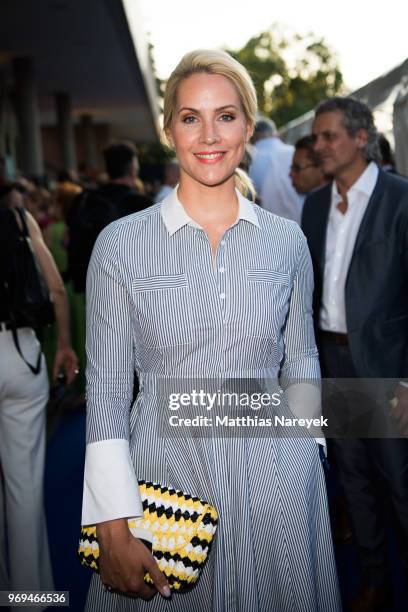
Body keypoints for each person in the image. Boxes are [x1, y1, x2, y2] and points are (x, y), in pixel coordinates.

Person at [82, 49, 341, 612]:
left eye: (225, 116)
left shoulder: (286, 242)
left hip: (278, 481)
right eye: (191, 117)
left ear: (248, 126)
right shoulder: (122, 245)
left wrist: (309, 451)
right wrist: (109, 521)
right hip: (165, 474)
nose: (209, 134)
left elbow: (299, 355)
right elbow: (104, 390)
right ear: (169, 128)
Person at [301, 96, 408, 611]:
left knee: (400, 483)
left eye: (328, 136)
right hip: (333, 362)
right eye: (316, 138)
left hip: (386, 367)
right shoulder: (316, 204)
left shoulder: (400, 199)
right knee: (356, 481)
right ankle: (374, 582)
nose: (318, 146)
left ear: (360, 138)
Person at [0, 185, 78, 598]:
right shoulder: (18, 219)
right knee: (24, 484)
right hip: (19, 352)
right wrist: (64, 344)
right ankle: (29, 598)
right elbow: (56, 289)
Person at [249, 117, 304, 223]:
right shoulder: (294, 152)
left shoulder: (250, 162)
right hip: (304, 227)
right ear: (276, 134)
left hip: (269, 232)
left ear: (253, 138)